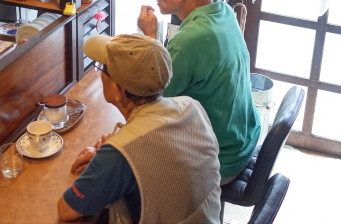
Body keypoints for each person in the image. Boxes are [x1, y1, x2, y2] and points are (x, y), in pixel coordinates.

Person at [58, 34, 221, 224]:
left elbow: (66, 210)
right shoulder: (191, 107)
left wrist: (105, 164)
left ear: (118, 90)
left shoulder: (120, 152)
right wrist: (109, 164)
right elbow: (162, 162)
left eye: (104, 68)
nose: (100, 73)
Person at [137, 0, 260, 184]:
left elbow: (150, 96)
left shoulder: (191, 39)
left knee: (129, 156)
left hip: (220, 160)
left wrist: (150, 37)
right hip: (243, 137)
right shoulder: (223, 11)